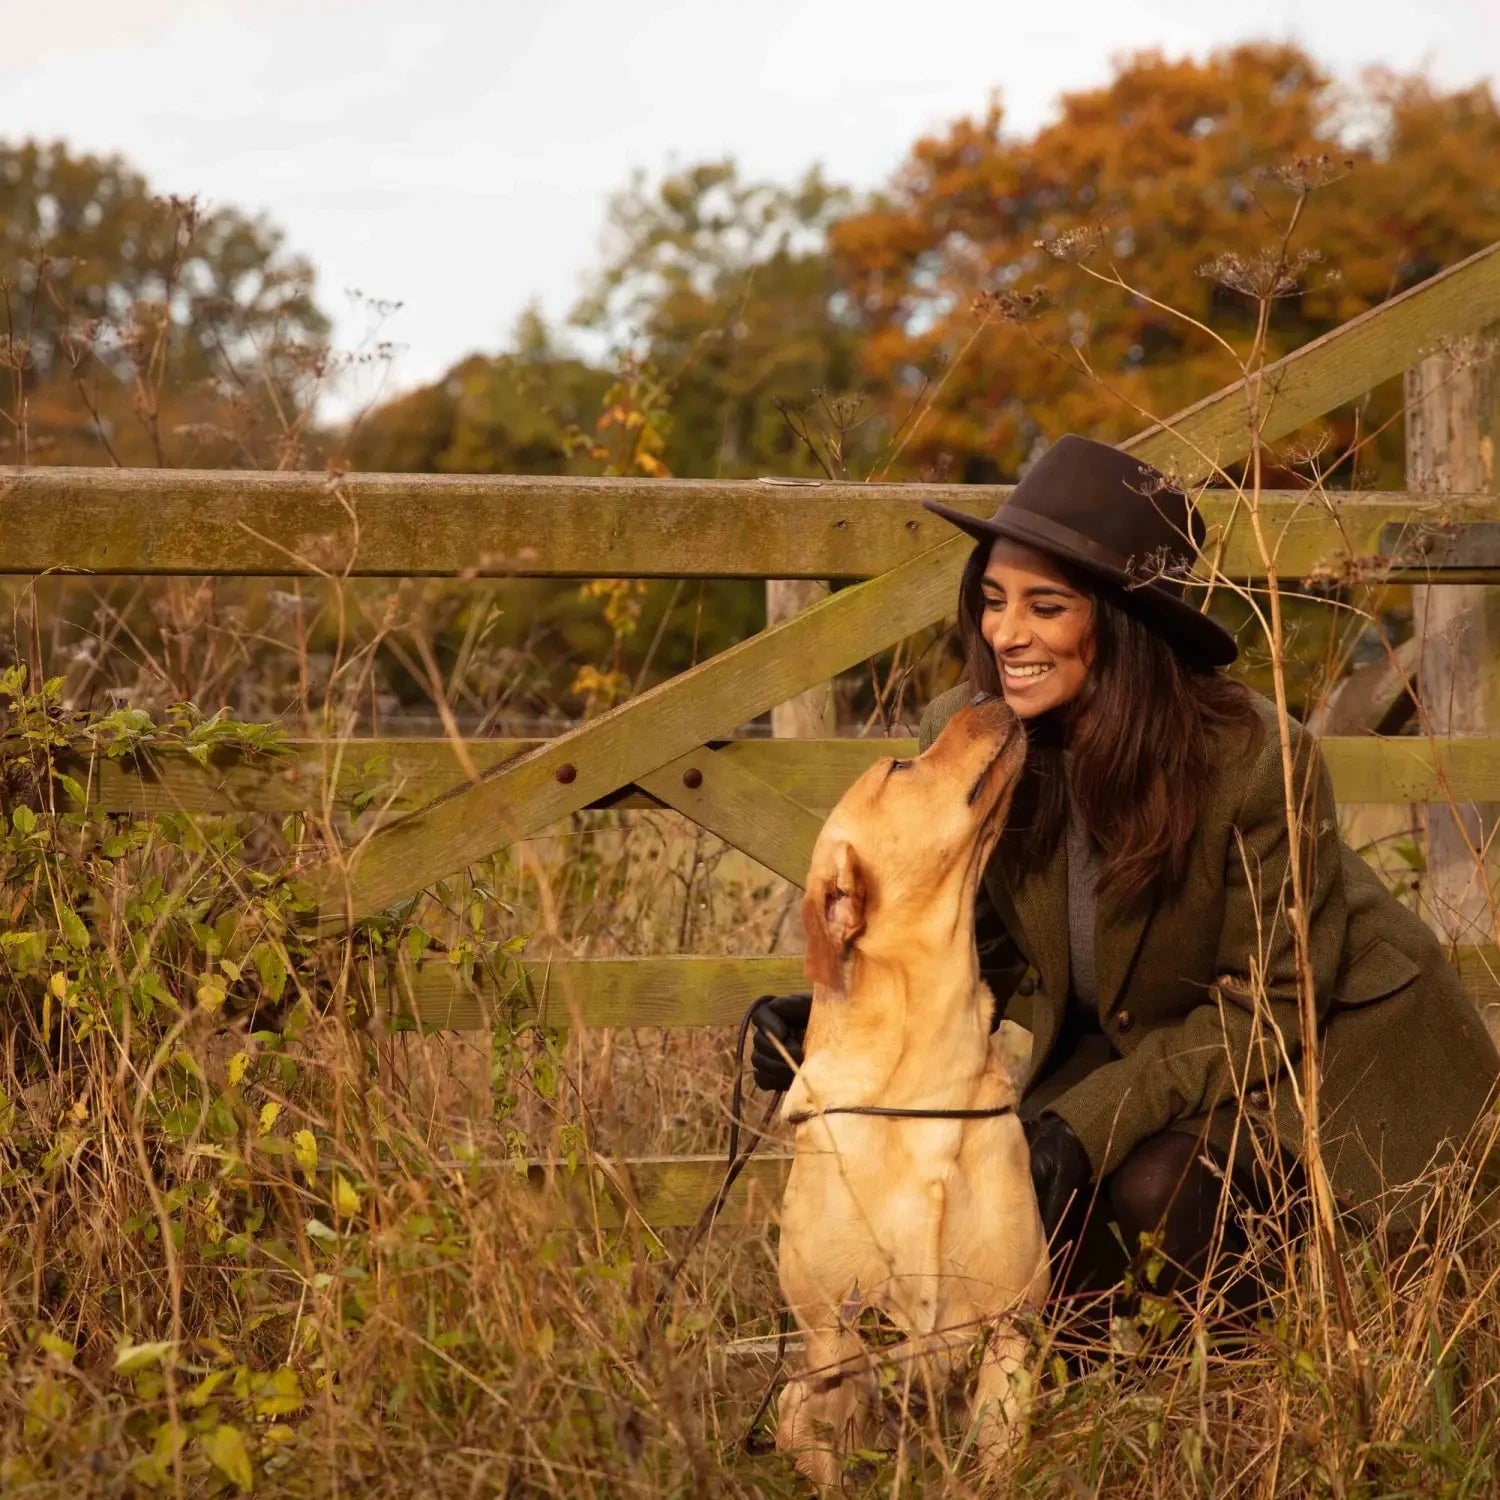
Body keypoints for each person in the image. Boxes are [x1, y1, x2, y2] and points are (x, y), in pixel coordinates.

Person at [751, 434, 1499, 1311]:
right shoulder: (972, 732)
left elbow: (1270, 1004)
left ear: (1120, 623)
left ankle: (1229, 1394)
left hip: (1317, 1055)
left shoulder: (1253, 756)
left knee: (1155, 1191)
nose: (1005, 635)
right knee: (1021, 1199)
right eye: (992, 601)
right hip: (1144, 1041)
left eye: (1045, 607)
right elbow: (977, 949)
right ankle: (1091, 1376)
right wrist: (835, 1014)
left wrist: (1086, 1118)